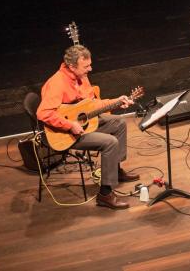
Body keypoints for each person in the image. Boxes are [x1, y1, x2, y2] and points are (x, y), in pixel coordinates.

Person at [37, 45, 140, 209]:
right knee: (110, 142)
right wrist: (70, 125)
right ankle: (105, 195)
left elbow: (92, 105)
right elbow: (43, 113)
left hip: (82, 126)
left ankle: (115, 170)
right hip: (64, 134)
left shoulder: (82, 78)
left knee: (119, 122)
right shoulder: (56, 83)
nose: (90, 69)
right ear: (71, 67)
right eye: (86, 66)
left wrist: (116, 102)